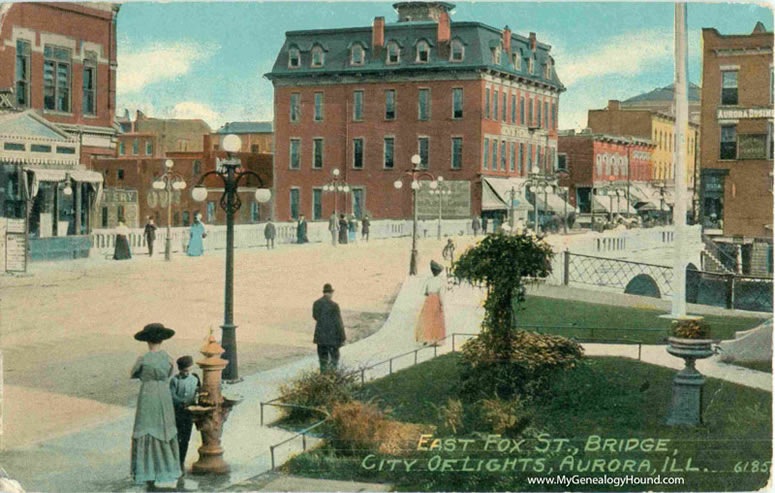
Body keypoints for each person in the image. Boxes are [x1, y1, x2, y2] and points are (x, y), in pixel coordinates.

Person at [130, 323, 181, 486]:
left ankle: (147, 470)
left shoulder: (143, 359)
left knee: (146, 427)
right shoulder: (168, 358)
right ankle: (167, 468)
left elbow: (133, 373)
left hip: (147, 394)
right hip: (163, 394)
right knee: (164, 427)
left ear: (147, 341)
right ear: (162, 340)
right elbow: (170, 373)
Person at [170, 355, 200, 473]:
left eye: (188, 370)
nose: (187, 373)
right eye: (184, 371)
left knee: (186, 439)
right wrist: (181, 402)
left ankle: (181, 461)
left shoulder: (195, 379)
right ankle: (175, 461)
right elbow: (172, 396)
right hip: (177, 413)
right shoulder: (174, 380)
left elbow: (198, 392)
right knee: (177, 438)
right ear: (180, 370)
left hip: (189, 414)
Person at [312, 283, 346, 372]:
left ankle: (323, 379)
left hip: (320, 338)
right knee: (335, 359)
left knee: (323, 361)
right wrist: (342, 338)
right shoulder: (334, 305)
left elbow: (315, 317)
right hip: (332, 338)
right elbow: (339, 322)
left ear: (324, 293)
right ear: (331, 293)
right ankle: (332, 377)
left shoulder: (316, 303)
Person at [415, 261, 446, 345]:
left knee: (427, 318)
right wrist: (441, 304)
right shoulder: (441, 281)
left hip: (428, 300)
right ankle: (434, 339)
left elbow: (425, 292)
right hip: (436, 299)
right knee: (436, 319)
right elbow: (441, 294)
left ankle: (426, 338)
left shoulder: (428, 280)